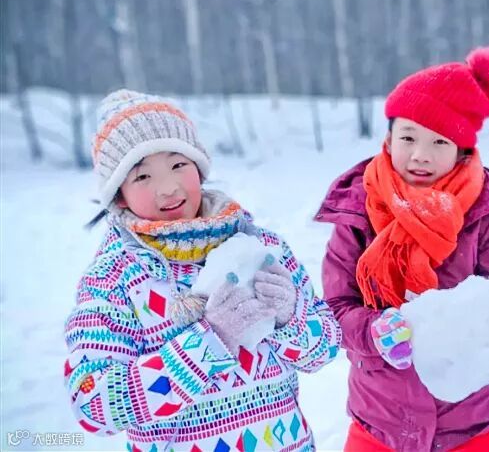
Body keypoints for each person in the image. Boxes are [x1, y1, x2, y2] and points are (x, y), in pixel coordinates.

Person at [64, 89, 341, 451]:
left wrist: (292, 316)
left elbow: (326, 349)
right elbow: (91, 404)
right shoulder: (113, 277)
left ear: (199, 167)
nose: (168, 188)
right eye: (142, 177)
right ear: (119, 195)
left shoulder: (262, 247)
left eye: (178, 165)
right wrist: (207, 344)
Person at [316, 47, 489, 451]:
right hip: (380, 421)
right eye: (408, 137)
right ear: (389, 138)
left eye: (440, 141)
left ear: (462, 149)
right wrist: (373, 332)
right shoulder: (357, 208)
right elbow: (336, 308)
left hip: (476, 424)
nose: (420, 155)